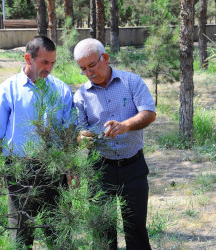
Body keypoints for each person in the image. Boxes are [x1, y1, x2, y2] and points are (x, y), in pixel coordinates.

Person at [0, 36, 74, 248]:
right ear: (28, 58)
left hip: (54, 171)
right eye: (44, 62)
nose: (49, 68)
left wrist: (70, 168)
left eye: (53, 63)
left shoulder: (62, 90)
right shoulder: (6, 90)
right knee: (20, 235)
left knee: (60, 235)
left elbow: (68, 133)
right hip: (20, 172)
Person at [73, 38, 156, 249]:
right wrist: (82, 138)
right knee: (102, 231)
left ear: (105, 58)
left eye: (92, 65)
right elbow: (78, 130)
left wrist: (126, 126)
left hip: (133, 166)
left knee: (136, 227)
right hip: (100, 169)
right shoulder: (81, 95)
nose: (89, 72)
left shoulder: (132, 82)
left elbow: (148, 113)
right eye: (83, 69)